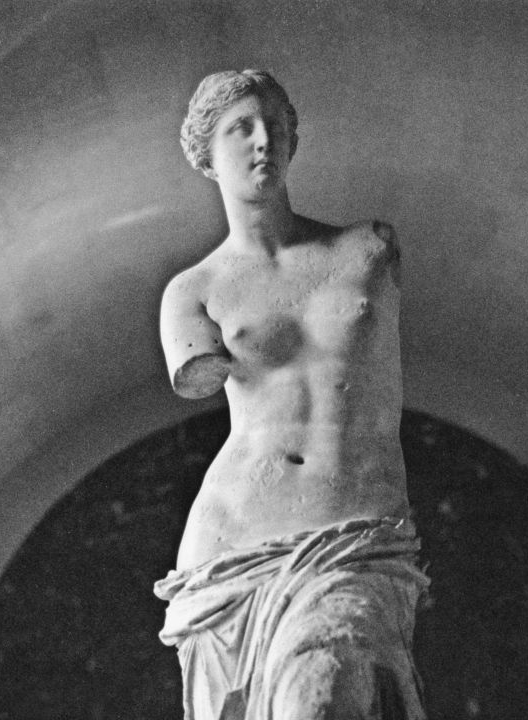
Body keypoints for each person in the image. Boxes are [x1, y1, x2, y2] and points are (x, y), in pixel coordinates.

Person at [155, 69, 428, 720]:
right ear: (206, 154)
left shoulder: (366, 249)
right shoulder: (193, 291)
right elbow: (197, 371)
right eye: (240, 128)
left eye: (275, 126)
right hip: (229, 547)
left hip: (350, 536)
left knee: (320, 694)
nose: (262, 140)